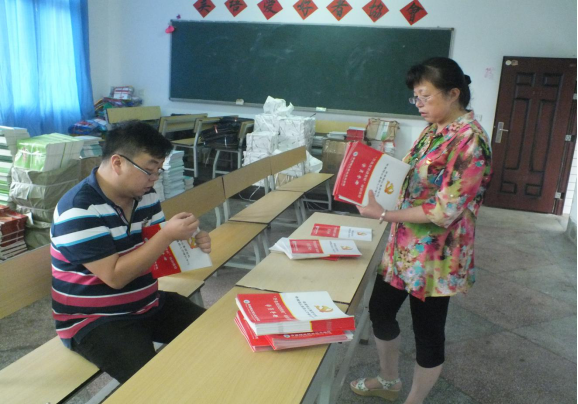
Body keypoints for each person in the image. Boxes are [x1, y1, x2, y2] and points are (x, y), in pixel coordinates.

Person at [350, 57, 493, 403]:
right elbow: (410, 175)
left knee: (428, 333)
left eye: (425, 96)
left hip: (435, 258)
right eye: (415, 97)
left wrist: (385, 213)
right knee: (380, 310)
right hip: (403, 248)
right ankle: (389, 381)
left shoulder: (471, 141)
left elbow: (445, 210)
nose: (418, 104)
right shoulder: (433, 129)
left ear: (453, 93)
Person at [50, 121, 212, 384]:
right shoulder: (79, 209)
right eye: (149, 170)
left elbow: (157, 255)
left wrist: (192, 243)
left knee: (216, 332)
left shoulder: (145, 195)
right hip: (95, 320)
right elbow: (115, 277)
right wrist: (167, 235)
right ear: (118, 163)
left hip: (147, 303)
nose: (154, 179)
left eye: (159, 171)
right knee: (152, 383)